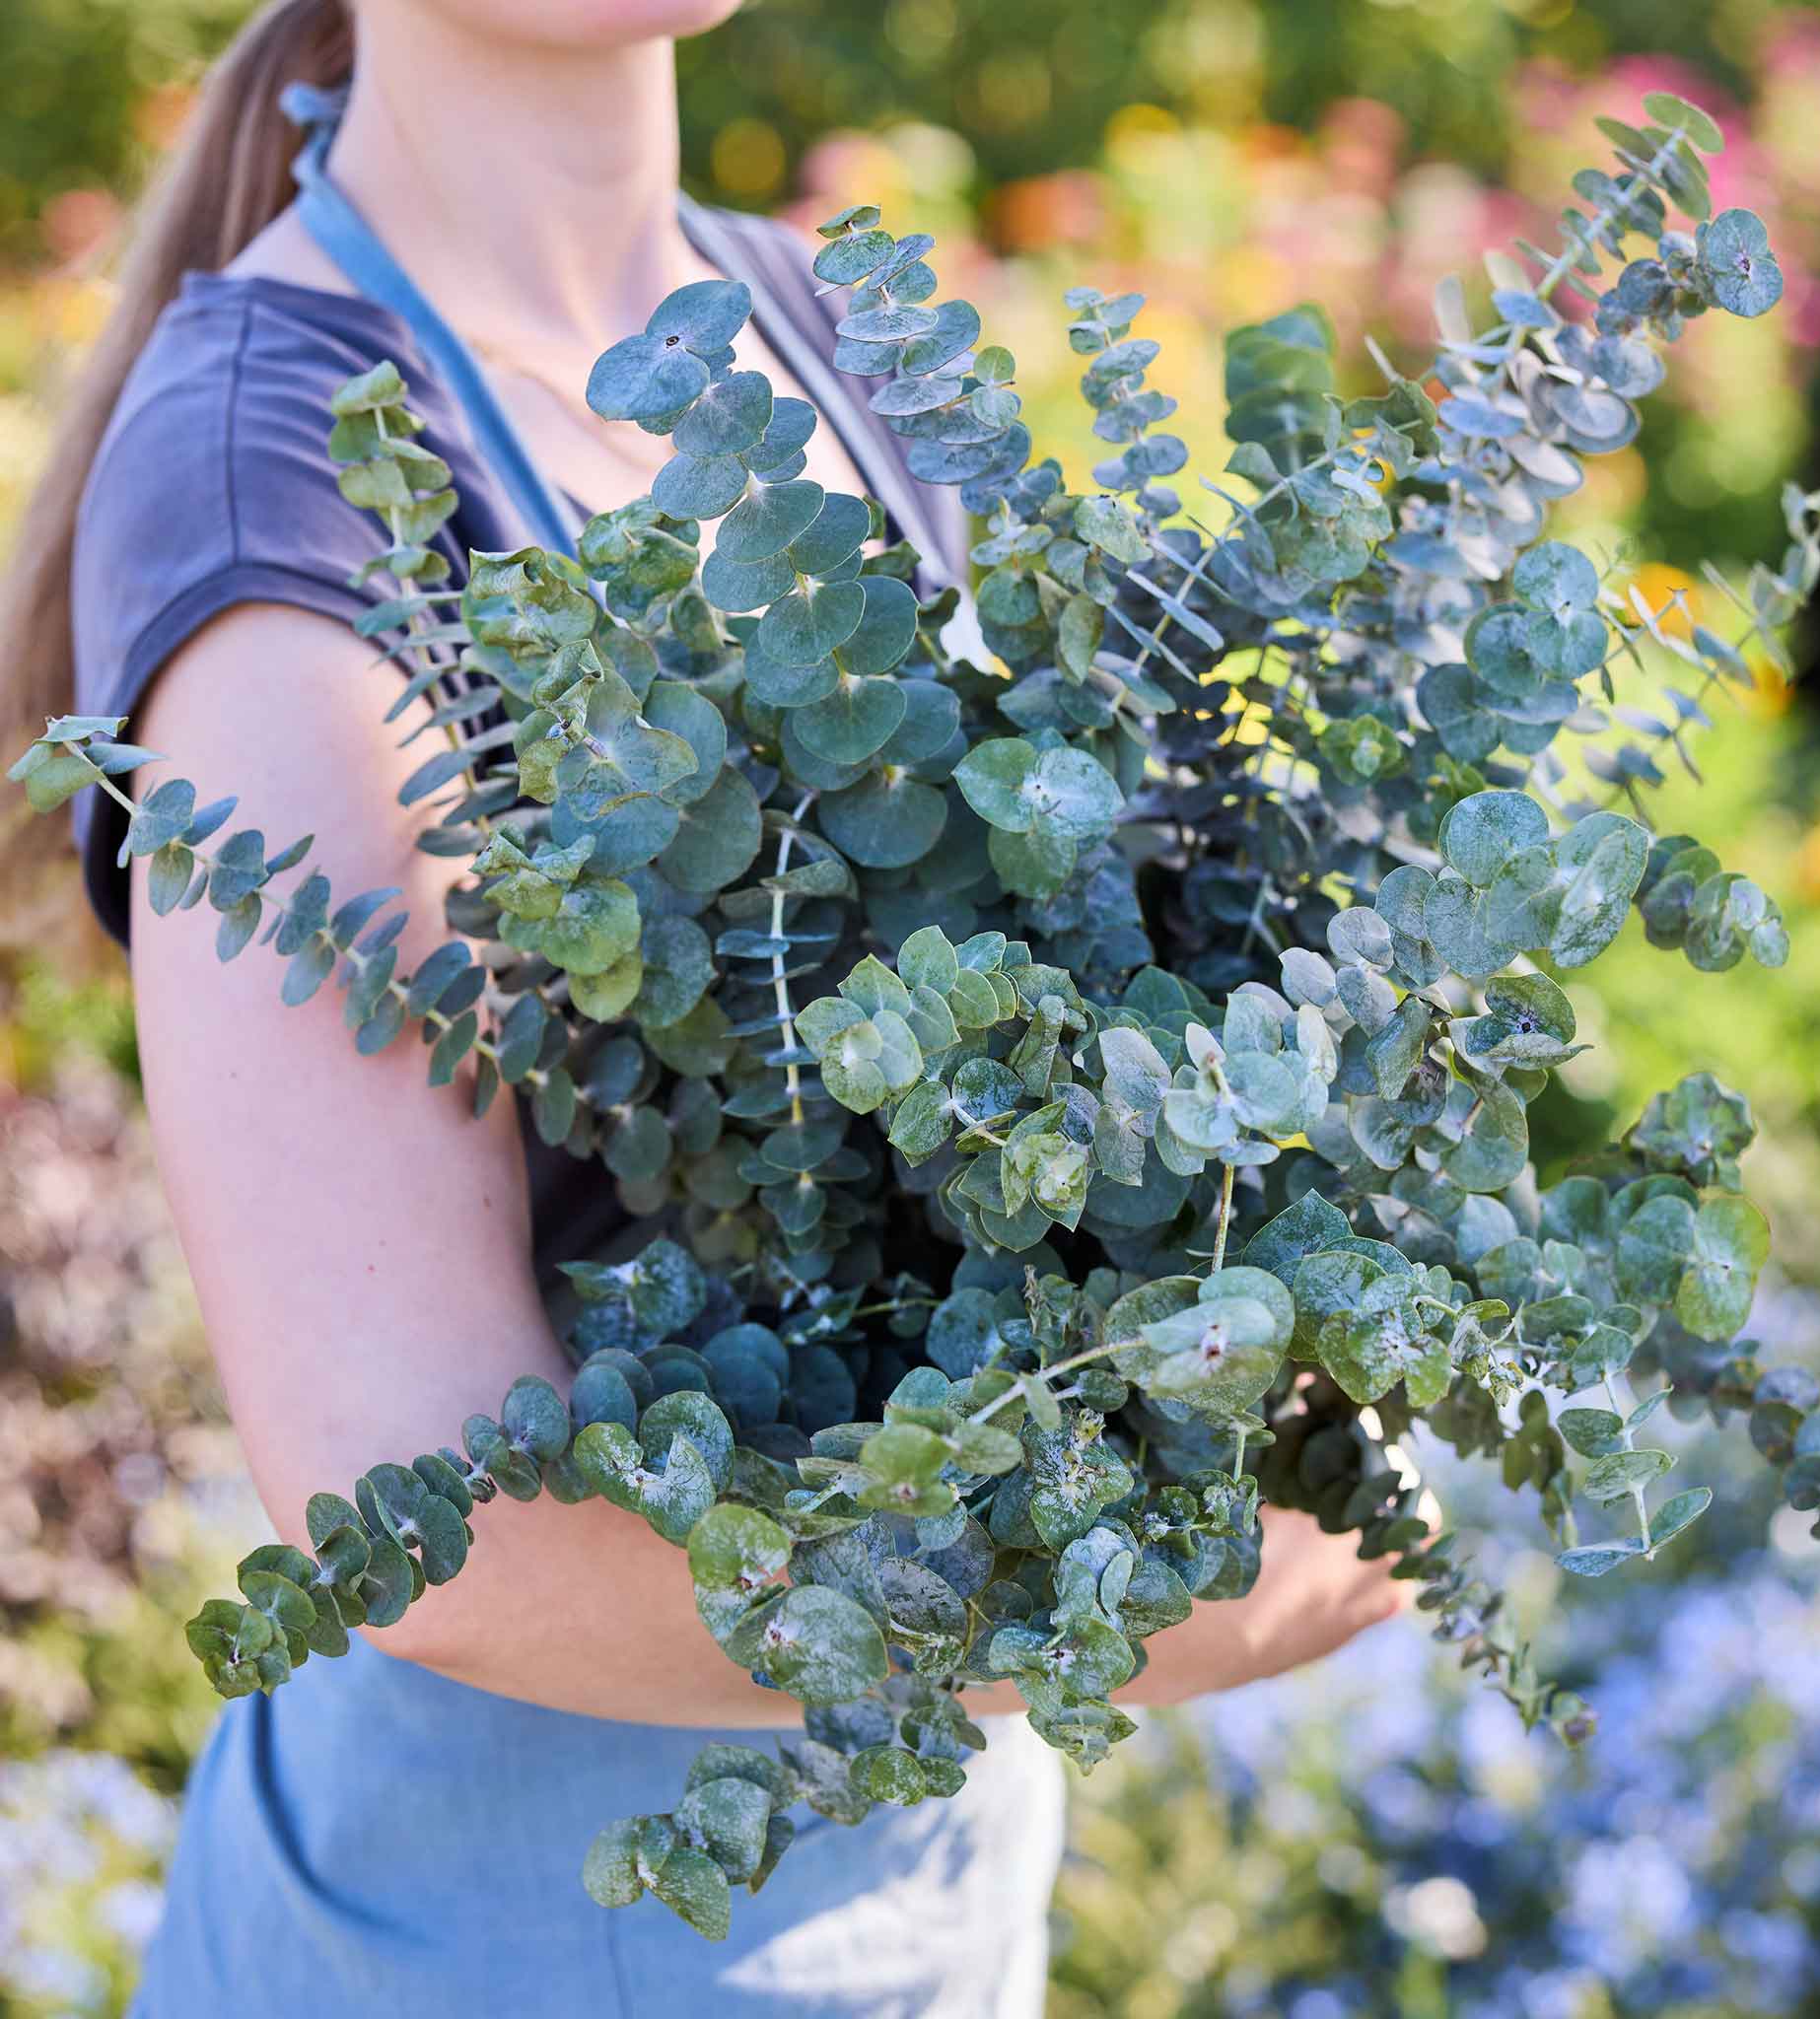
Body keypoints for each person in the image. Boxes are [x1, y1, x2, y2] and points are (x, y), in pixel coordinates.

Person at [0, 2, 1408, 2009]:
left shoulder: (820, 331)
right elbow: (441, 1525)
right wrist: (1173, 1603)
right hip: (499, 1946)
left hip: (921, 1914)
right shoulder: (285, 486)